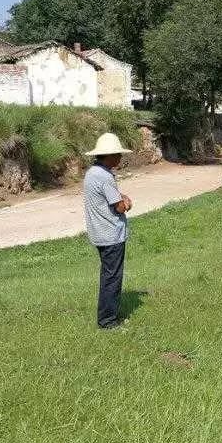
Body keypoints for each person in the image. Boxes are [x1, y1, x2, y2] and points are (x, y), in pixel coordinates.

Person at [83, 133, 133, 329]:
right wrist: (127, 202)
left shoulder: (92, 173)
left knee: (108, 275)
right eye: (118, 155)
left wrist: (122, 197)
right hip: (111, 235)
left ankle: (107, 317)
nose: (120, 158)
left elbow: (111, 196)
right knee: (112, 278)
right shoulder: (105, 177)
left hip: (100, 234)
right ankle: (108, 321)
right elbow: (119, 206)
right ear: (109, 155)